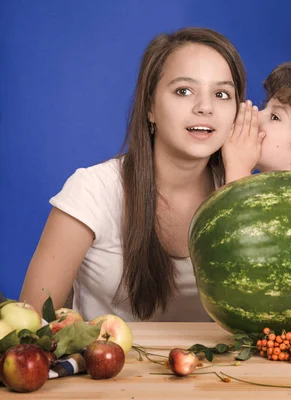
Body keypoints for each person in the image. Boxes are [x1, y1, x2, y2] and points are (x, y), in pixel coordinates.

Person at [20, 27, 247, 322]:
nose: (205, 107)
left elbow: (260, 321)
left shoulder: (242, 189)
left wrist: (240, 179)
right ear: (150, 107)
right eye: (183, 91)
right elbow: (28, 328)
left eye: (221, 94)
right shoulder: (92, 191)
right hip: (108, 367)